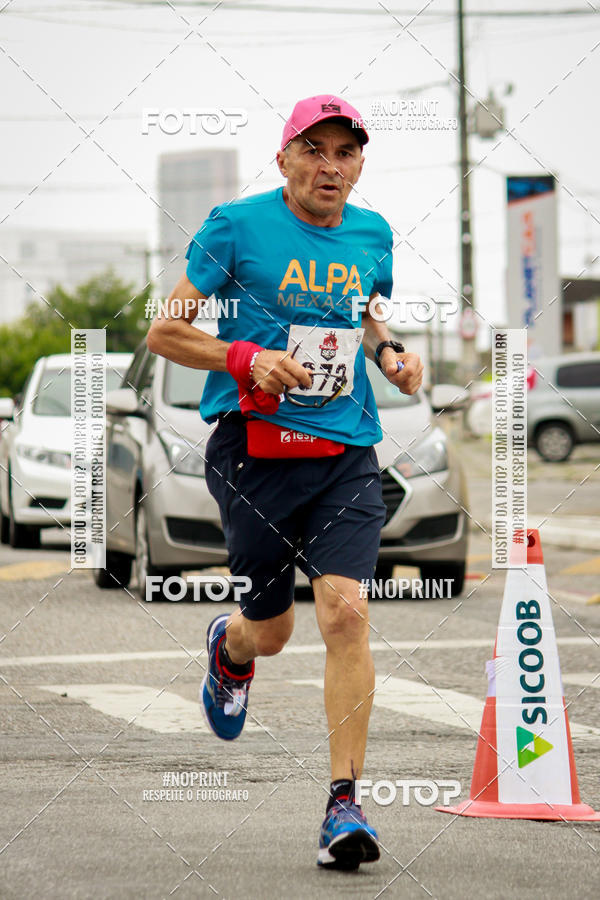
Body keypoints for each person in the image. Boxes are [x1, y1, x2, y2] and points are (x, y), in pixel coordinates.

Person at [147, 94, 424, 870]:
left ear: (360, 164)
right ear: (284, 159)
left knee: (345, 613)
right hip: (254, 451)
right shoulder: (234, 226)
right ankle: (230, 649)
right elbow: (165, 330)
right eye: (314, 150)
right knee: (273, 630)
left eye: (345, 153)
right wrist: (246, 358)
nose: (330, 166)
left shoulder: (373, 235)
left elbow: (362, 310)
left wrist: (390, 351)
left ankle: (344, 804)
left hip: (345, 450)